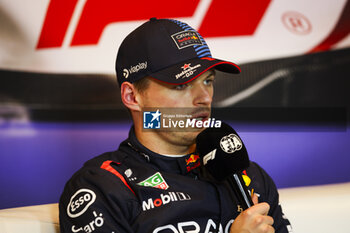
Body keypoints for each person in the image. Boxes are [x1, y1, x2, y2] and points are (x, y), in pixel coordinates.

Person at [59, 18, 292, 233]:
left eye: (208, 81)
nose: (204, 98)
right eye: (182, 85)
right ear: (132, 96)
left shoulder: (249, 175)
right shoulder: (102, 186)